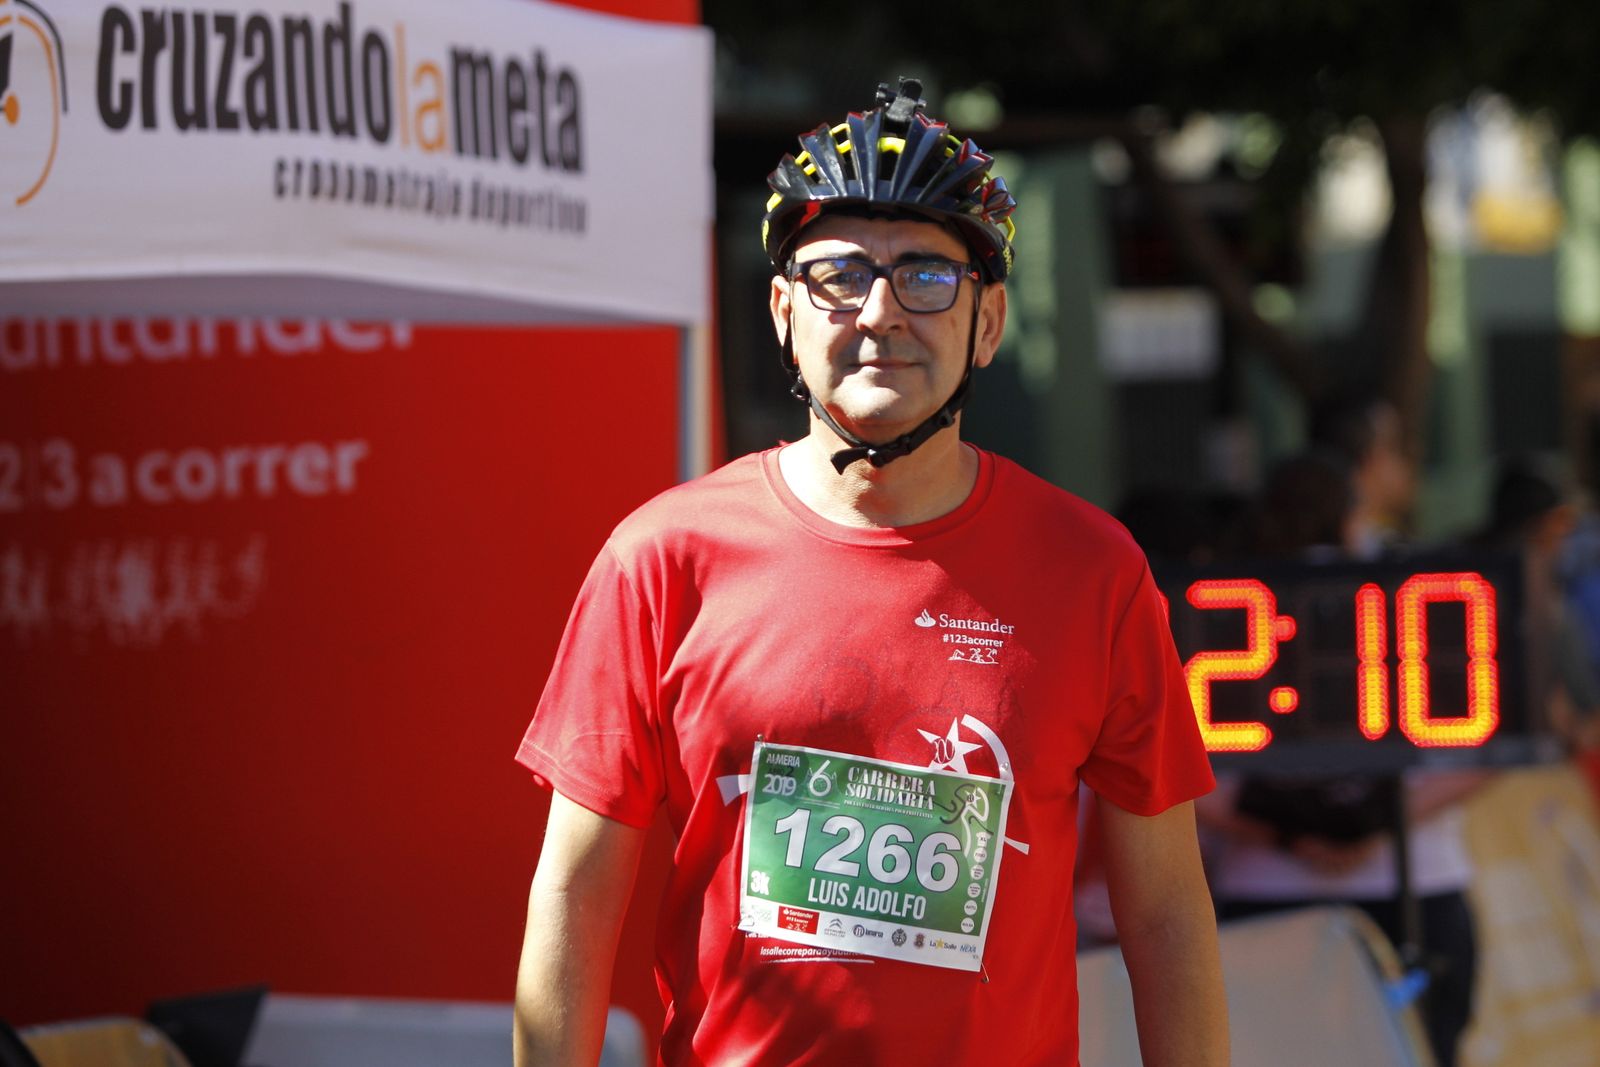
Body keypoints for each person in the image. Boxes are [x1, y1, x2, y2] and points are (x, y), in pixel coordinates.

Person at [511, 78, 1227, 1067]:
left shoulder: (1092, 570)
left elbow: (1166, 914)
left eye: (927, 275)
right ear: (780, 312)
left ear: (987, 323)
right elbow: (575, 893)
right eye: (838, 273)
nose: (881, 310)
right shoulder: (660, 560)